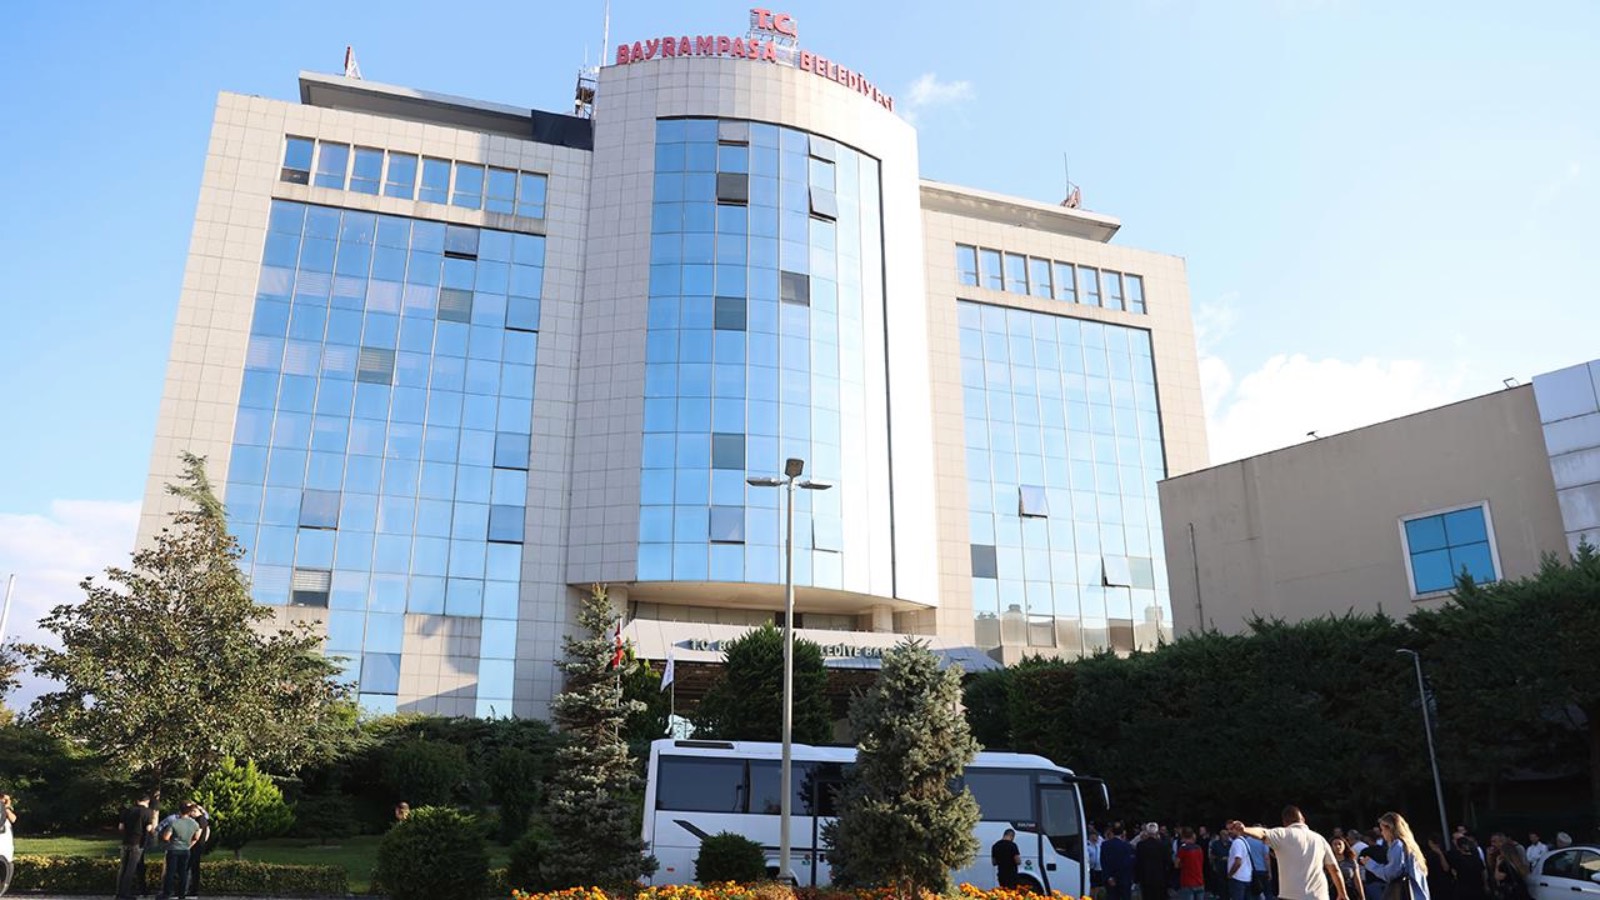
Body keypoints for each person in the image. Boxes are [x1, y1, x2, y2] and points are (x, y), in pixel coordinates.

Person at [1229, 807, 1345, 900]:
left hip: (1291, 895)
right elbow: (1334, 869)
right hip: (1319, 895)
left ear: (1284, 822)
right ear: (1303, 819)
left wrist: (1244, 829)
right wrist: (1342, 893)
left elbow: (1262, 833)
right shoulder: (1320, 839)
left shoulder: (1282, 834)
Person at [1363, 812, 1430, 900]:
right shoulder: (1410, 845)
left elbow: (1391, 874)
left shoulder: (1397, 846)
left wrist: (1370, 864)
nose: (1382, 833)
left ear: (1390, 829)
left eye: (1382, 829)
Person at [158, 803, 202, 900]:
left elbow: (166, 837)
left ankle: (167, 893)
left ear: (179, 811)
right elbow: (197, 837)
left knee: (170, 872)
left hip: (173, 849)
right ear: (189, 812)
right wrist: (189, 845)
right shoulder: (194, 824)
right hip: (185, 850)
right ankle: (181, 894)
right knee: (183, 872)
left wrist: (168, 842)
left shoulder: (174, 823)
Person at [117, 794, 157, 900]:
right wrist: (154, 833)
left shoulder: (126, 811)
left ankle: (119, 892)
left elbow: (121, 827)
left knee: (123, 868)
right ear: (147, 801)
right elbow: (148, 828)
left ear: (137, 801)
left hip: (126, 841)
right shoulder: (148, 812)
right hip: (138, 842)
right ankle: (125, 894)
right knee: (131, 869)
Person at [1139, 822, 1173, 900]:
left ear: (1147, 832)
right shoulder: (1163, 846)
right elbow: (1168, 862)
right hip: (1160, 878)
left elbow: (1138, 863)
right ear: (1157, 832)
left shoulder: (1141, 846)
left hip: (1145, 878)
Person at [1447, 835, 1487, 900]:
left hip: (1464, 889)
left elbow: (1453, 872)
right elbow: (1483, 872)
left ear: (1458, 847)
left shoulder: (1457, 860)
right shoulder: (1477, 858)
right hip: (1478, 887)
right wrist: (1485, 884)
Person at [1104, 824, 1138, 900]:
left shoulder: (1105, 845)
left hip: (1110, 878)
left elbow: (1104, 862)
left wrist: (1109, 877)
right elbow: (1129, 863)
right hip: (1124, 878)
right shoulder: (1126, 846)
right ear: (1122, 833)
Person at [186, 803, 211, 898]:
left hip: (195, 847)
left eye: (191, 812)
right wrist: (204, 841)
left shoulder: (200, 820)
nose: (190, 815)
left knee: (192, 867)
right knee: (194, 868)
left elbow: (197, 835)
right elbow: (208, 831)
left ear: (194, 811)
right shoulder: (203, 819)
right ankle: (193, 889)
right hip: (199, 846)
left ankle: (192, 890)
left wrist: (189, 846)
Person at [1176, 827, 1207, 900]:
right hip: (1199, 881)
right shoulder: (1199, 848)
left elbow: (1176, 864)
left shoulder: (1183, 849)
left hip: (1188, 882)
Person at [1229, 822, 1257, 900]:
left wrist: (1230, 874)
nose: (1229, 831)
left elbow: (1238, 861)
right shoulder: (1245, 841)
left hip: (1238, 878)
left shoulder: (1237, 842)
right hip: (1247, 877)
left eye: (1232, 829)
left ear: (1237, 830)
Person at [0, 793, 17, 898]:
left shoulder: (5, 812)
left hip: (6, 848)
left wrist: (5, 808)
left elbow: (13, 819)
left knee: (6, 869)